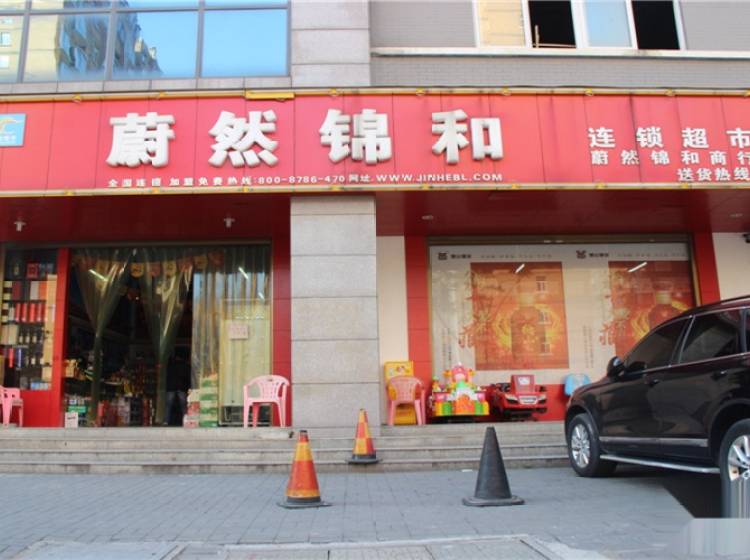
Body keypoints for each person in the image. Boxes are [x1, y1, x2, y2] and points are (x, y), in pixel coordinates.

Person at [165, 348, 190, 426]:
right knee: (183, 406)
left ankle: (166, 421)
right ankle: (185, 421)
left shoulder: (170, 365)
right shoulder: (185, 365)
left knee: (168, 405)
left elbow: (168, 376)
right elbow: (187, 376)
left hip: (171, 387)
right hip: (181, 386)